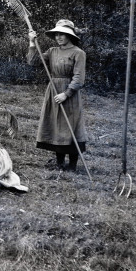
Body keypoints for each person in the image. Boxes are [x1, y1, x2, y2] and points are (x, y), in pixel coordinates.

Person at [27, 19, 87, 171]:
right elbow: (32, 62)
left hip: (69, 94)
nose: (59, 37)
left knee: (71, 125)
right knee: (56, 124)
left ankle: (72, 165)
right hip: (53, 90)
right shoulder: (52, 51)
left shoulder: (78, 53)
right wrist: (32, 43)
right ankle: (59, 163)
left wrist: (66, 94)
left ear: (70, 35)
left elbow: (79, 78)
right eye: (57, 34)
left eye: (63, 34)